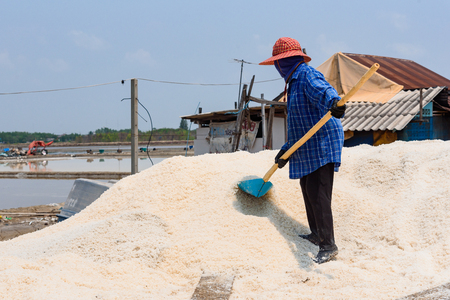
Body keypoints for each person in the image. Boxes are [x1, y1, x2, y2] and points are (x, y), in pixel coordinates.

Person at [259, 37, 346, 264]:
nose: (278, 67)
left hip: (323, 141)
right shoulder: (293, 82)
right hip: (307, 142)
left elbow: (324, 91)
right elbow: (300, 125)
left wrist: (334, 103)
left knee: (319, 192)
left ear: (288, 61)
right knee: (307, 186)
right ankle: (316, 234)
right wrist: (286, 151)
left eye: (280, 62)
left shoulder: (306, 75)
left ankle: (329, 246)